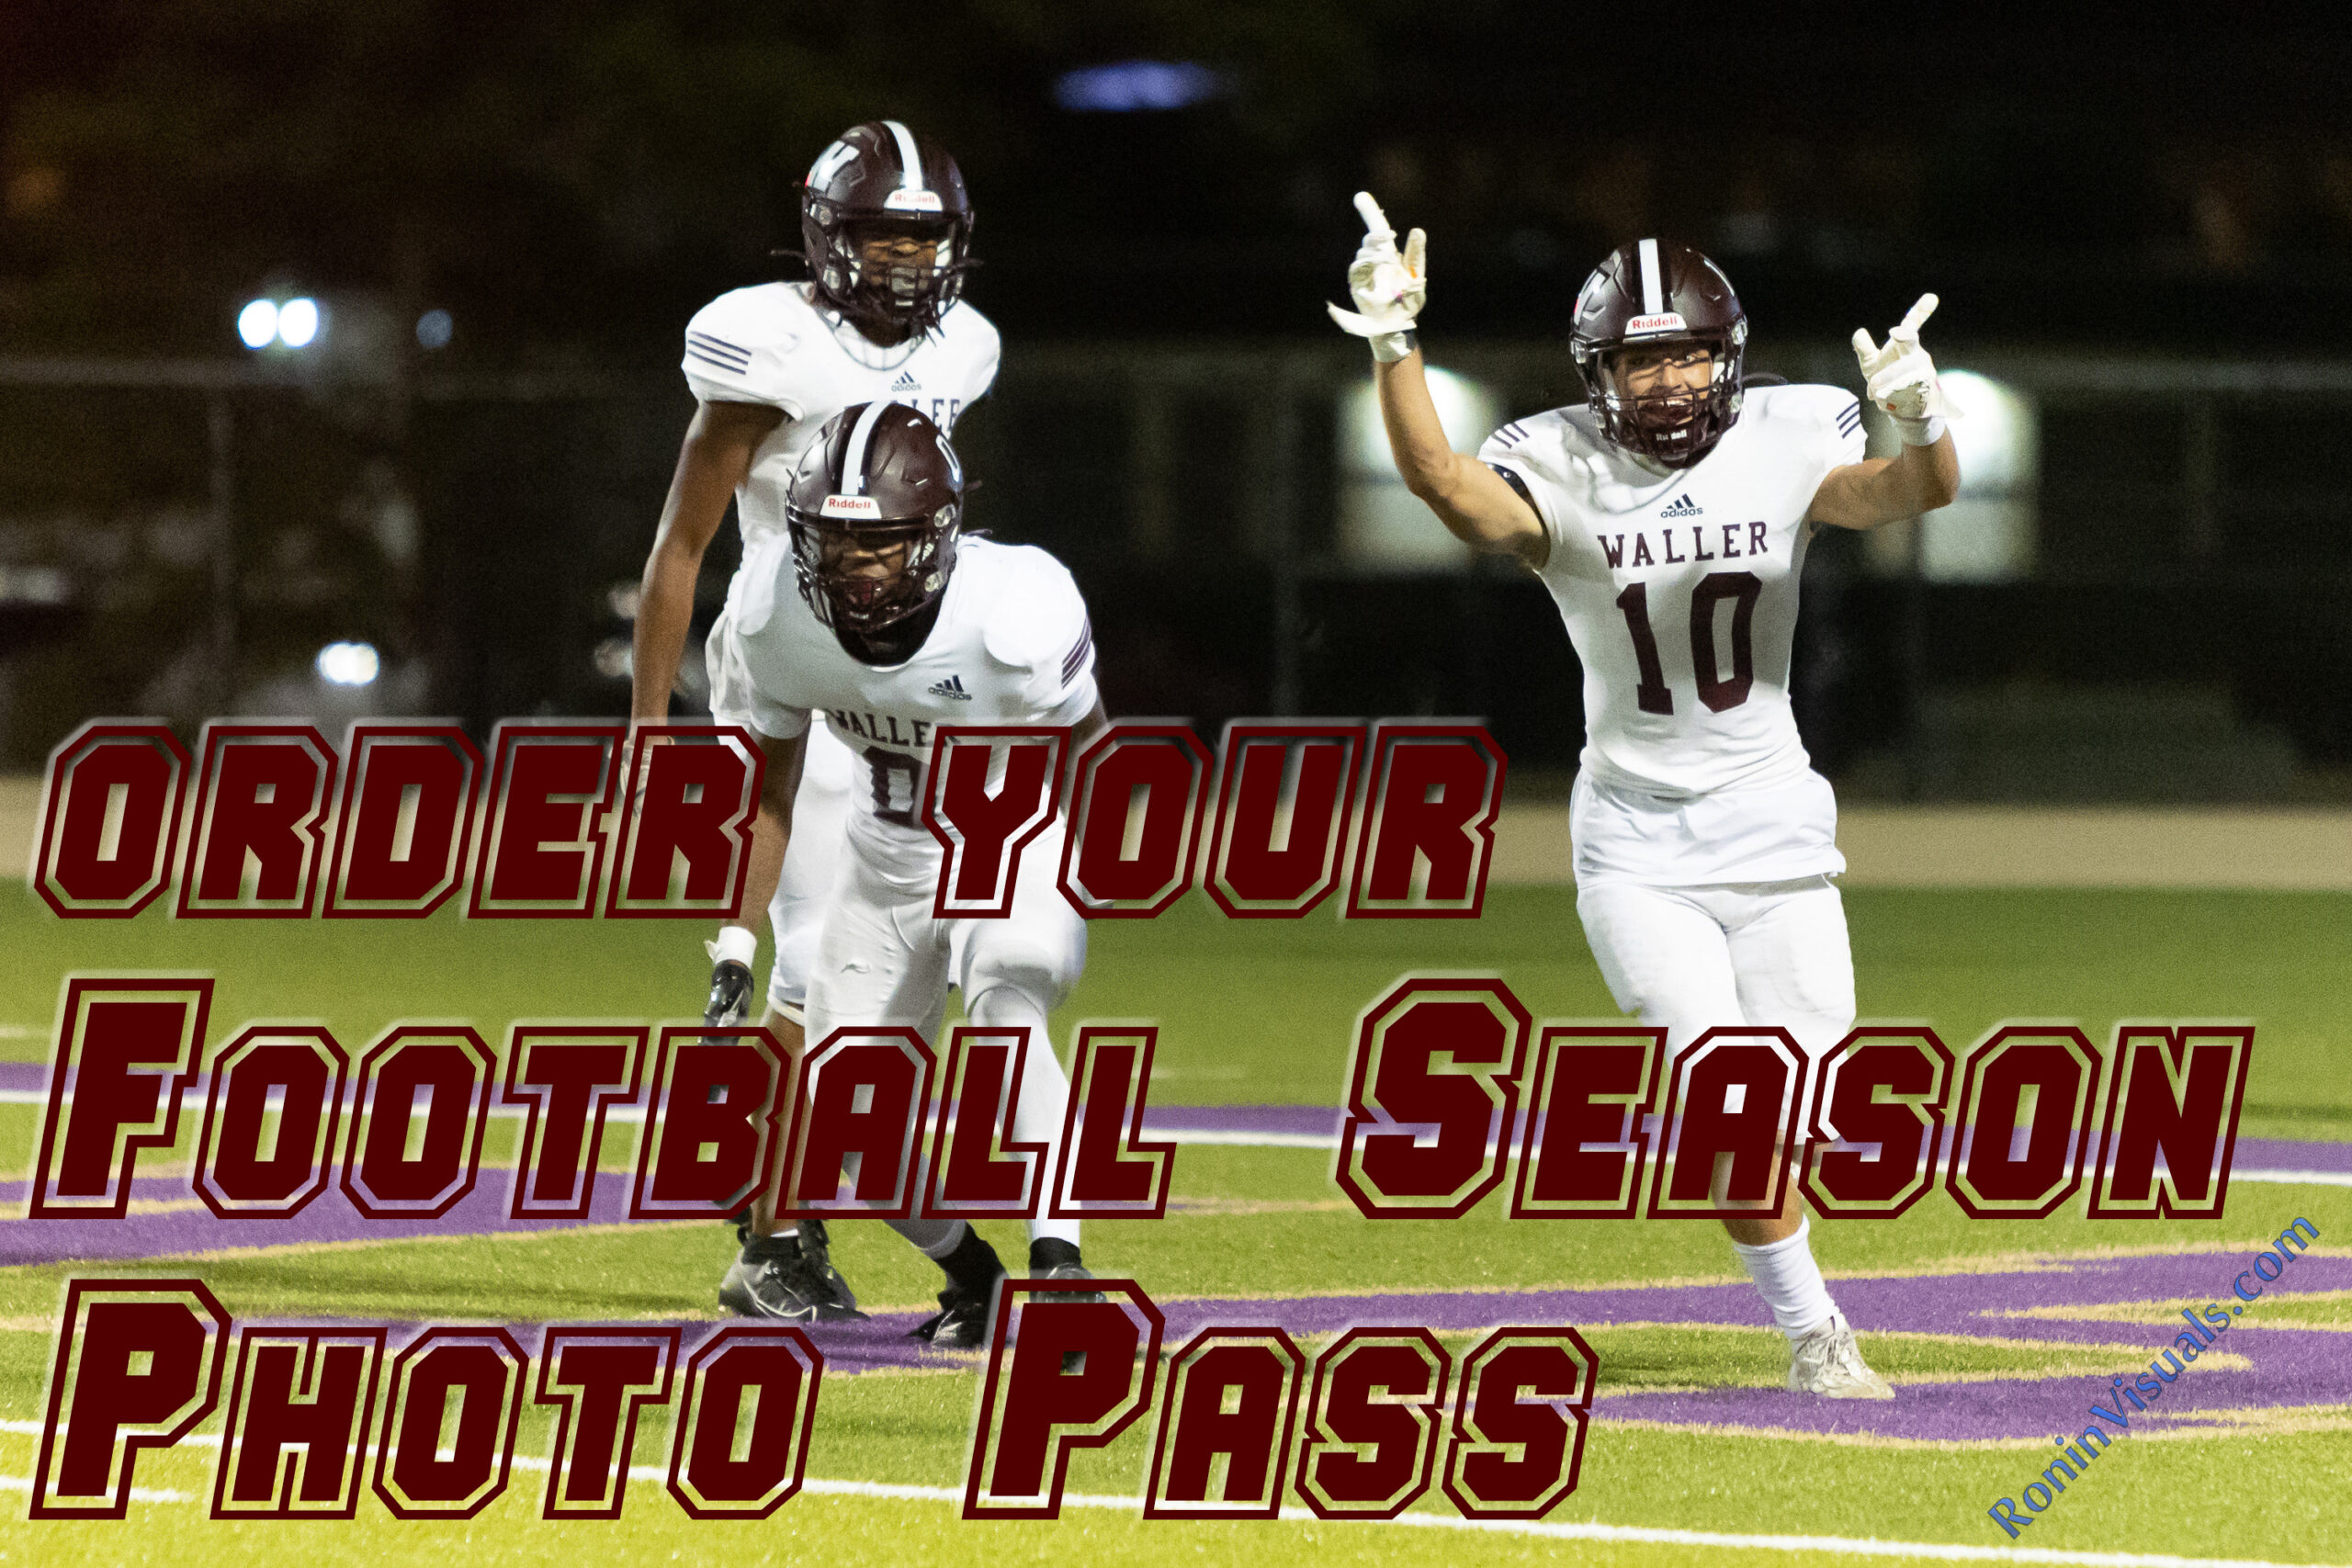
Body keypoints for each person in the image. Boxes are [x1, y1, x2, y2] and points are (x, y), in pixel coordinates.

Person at [1330, 193, 1961, 1399]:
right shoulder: (1557, 456)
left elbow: (1910, 495)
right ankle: (1813, 1328)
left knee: (1801, 1105)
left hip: (1775, 825)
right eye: (1638, 357)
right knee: (1729, 1103)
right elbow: (1445, 487)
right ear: (1596, 370)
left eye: (1682, 352)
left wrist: (1925, 418)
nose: (1665, 380)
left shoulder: (1785, 432)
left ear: (1723, 359)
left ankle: (1798, 1284)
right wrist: (1393, 345)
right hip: (1636, 844)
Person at [626, 119, 999, 1319]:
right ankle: (776, 1233)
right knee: (803, 975)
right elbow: (682, 543)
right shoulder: (767, 342)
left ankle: (789, 1218)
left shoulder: (968, 348)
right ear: (828, 239)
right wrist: (647, 728)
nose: (901, 258)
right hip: (786, 662)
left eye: (923, 234)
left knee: (877, 965)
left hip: (907, 674)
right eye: (880, 232)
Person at [719, 398, 1105, 1345]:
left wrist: (1069, 875)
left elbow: (1095, 751)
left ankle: (1062, 1265)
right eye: (832, 543)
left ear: (936, 533)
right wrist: (736, 941)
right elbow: (769, 794)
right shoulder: (775, 616)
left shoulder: (1012, 611)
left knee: (1008, 994)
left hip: (1004, 834)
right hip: (881, 855)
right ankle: (973, 1277)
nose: (852, 568)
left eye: (879, 544)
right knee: (851, 1122)